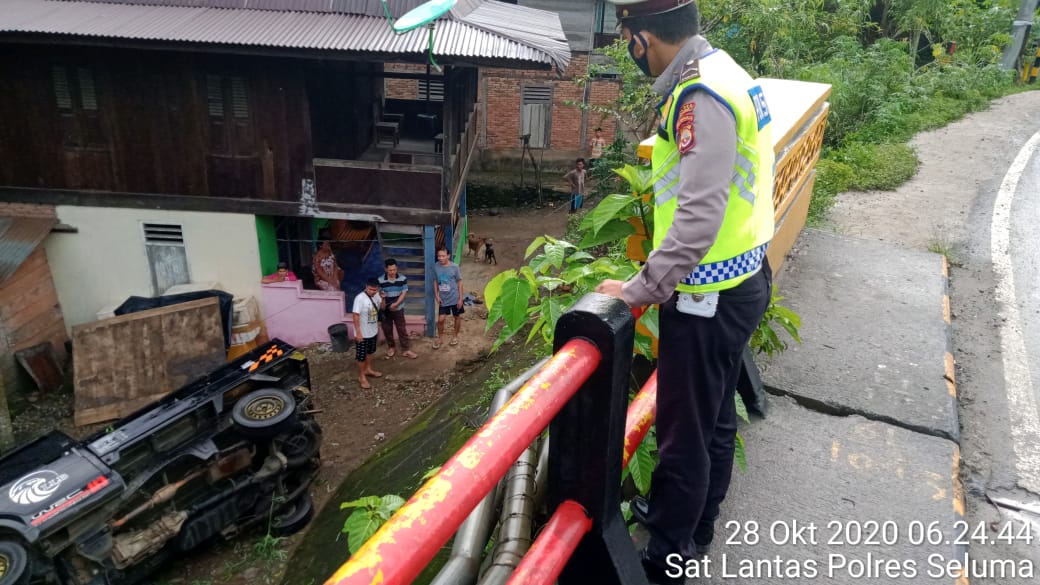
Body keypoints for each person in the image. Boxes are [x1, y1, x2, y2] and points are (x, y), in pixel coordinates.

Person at [596, 1, 775, 583]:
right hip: (741, 278)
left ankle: (667, 556)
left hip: (708, 297)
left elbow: (697, 217)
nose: (628, 50)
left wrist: (638, 290)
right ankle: (696, 530)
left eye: (625, 38)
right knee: (714, 419)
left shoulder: (699, 97)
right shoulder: (723, 67)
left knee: (683, 435)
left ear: (641, 37)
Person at [379, 259, 418, 359]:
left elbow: (403, 293)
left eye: (394, 269)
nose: (393, 272)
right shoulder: (380, 280)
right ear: (386, 269)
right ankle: (391, 347)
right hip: (386, 310)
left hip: (399, 308)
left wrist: (396, 304)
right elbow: (380, 296)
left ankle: (406, 349)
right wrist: (384, 302)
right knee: (387, 329)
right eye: (390, 270)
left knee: (402, 329)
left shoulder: (402, 278)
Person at [352, 278, 384, 389]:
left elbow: (382, 308)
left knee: (370, 352)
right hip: (362, 333)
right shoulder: (360, 298)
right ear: (366, 287)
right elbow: (355, 315)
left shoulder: (377, 295)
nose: (372, 292)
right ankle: (361, 376)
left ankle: (368, 369)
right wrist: (358, 333)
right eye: (370, 289)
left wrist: (383, 299)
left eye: (375, 290)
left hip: (373, 331)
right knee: (361, 356)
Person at [432, 247, 464, 349]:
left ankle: (455, 336)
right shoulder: (436, 266)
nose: (440, 258)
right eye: (439, 256)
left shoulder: (455, 267)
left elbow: (459, 282)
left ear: (448, 256)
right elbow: (435, 281)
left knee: (457, 317)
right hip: (443, 298)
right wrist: (436, 295)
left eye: (443, 256)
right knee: (441, 320)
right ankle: (440, 338)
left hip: (455, 297)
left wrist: (460, 298)